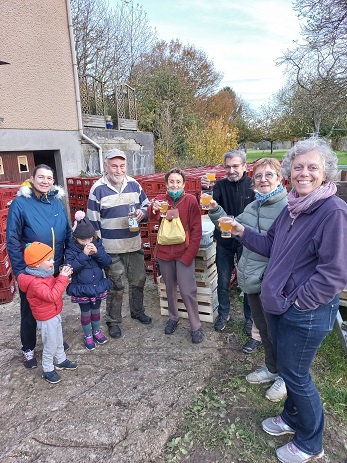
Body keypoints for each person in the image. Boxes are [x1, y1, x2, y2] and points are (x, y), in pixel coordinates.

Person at [229, 138, 347, 463]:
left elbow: (335, 273)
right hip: (280, 307)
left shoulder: (332, 212)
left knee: (296, 375)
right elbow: (269, 244)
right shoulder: (293, 206)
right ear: (289, 172)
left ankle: (311, 442)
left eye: (312, 167)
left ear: (326, 174)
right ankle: (291, 418)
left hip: (305, 312)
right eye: (298, 167)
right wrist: (241, 231)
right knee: (289, 368)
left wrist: (297, 302)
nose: (304, 173)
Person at [211, 158, 288, 402]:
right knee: (263, 330)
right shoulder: (254, 206)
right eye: (259, 176)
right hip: (252, 277)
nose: (263, 179)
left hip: (273, 282)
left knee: (280, 332)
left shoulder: (287, 207)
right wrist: (215, 210)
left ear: (279, 179)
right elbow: (235, 224)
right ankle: (272, 368)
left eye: (269, 175)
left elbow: (278, 246)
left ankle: (286, 377)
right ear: (253, 181)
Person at [6, 164, 71, 369]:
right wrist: (20, 272)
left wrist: (66, 262)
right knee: (29, 309)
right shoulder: (20, 204)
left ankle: (54, 340)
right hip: (32, 270)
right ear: (32, 179)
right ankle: (28, 347)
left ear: (53, 181)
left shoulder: (56, 203)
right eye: (41, 177)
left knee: (53, 306)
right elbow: (13, 240)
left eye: (49, 178)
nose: (45, 181)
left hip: (54, 265)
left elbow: (67, 233)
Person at [87, 148, 151, 339]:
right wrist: (99, 251)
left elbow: (146, 205)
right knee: (116, 285)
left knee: (138, 280)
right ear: (106, 165)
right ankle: (113, 321)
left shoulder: (134, 185)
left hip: (134, 244)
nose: (118, 170)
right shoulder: (97, 189)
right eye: (114, 166)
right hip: (111, 248)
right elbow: (93, 223)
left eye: (122, 166)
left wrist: (143, 213)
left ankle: (137, 311)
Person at [201, 150, 255, 334]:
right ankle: (224, 313)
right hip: (224, 240)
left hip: (245, 241)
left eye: (235, 166)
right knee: (223, 280)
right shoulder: (220, 185)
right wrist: (206, 189)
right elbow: (208, 205)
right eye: (228, 166)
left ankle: (250, 317)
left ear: (245, 167)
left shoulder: (252, 186)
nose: (231, 170)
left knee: (247, 281)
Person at [147, 167, 203, 344]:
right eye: (171, 181)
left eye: (178, 181)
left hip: (184, 252)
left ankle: (196, 325)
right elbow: (152, 218)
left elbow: (196, 231)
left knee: (187, 290)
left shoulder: (191, 201)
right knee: (169, 288)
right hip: (164, 253)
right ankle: (173, 318)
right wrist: (153, 208)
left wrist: (190, 254)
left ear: (184, 184)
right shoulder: (160, 200)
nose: (175, 184)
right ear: (166, 184)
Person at [17, 242, 77, 384]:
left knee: (58, 339)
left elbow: (52, 286)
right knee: (50, 344)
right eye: (49, 259)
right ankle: (48, 369)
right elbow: (51, 295)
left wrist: (62, 278)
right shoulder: (35, 282)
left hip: (53, 313)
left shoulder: (44, 274)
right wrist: (62, 279)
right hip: (46, 317)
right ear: (37, 264)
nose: (53, 261)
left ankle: (61, 359)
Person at [65, 211, 112, 351]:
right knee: (85, 312)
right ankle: (87, 335)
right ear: (76, 238)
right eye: (82, 240)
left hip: (97, 286)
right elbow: (71, 268)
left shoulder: (97, 244)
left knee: (96, 310)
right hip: (82, 288)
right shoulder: (71, 249)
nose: (87, 242)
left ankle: (96, 331)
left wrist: (97, 252)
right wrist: (84, 255)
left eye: (89, 239)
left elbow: (107, 262)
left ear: (93, 236)